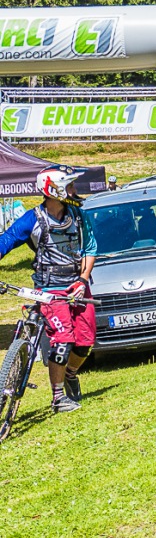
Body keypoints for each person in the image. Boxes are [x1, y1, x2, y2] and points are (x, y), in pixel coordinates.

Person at [0, 165, 97, 413]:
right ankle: (57, 398)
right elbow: (6, 241)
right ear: (55, 190)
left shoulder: (78, 216)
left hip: (78, 286)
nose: (75, 190)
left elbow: (90, 249)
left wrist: (83, 280)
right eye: (70, 185)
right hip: (49, 290)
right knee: (62, 341)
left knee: (85, 343)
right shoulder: (32, 219)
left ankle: (71, 374)